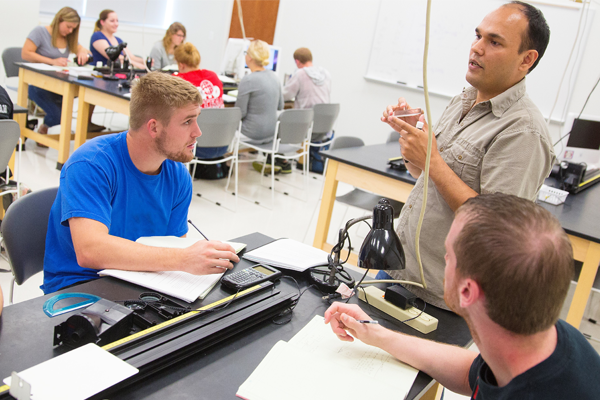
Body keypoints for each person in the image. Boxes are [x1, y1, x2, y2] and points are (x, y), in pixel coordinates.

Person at [325, 193, 600, 398]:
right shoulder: (547, 340)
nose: (444, 258)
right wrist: (377, 334)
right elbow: (473, 374)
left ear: (467, 291)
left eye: (449, 255)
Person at [378, 1, 555, 309]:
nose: (477, 48)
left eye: (494, 41)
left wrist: (432, 161)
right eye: (478, 36)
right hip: (399, 267)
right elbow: (430, 179)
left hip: (440, 298)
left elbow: (495, 230)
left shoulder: (523, 132)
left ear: (526, 59)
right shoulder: (464, 99)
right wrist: (414, 147)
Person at [42, 72, 239, 294]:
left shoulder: (178, 176)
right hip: (80, 286)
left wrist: (191, 260)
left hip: (140, 279)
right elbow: (90, 251)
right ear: (153, 127)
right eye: (187, 122)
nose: (197, 132)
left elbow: (169, 248)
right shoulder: (91, 164)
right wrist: (184, 258)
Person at [21, 7, 102, 138]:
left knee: (66, 114)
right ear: (59, 20)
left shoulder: (68, 38)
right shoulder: (40, 32)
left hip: (58, 85)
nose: (70, 31)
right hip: (38, 84)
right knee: (59, 116)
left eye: (73, 29)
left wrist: (82, 52)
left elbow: (84, 50)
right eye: (68, 27)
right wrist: (51, 61)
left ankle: (44, 128)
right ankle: (43, 129)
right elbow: (25, 53)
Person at [235, 40, 284, 172]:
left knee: (225, 129)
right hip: (270, 133)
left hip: (252, 134)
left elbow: (239, 113)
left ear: (249, 57)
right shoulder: (275, 78)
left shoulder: (249, 80)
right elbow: (280, 106)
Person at [174, 42, 226, 160]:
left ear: (181, 65)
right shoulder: (213, 76)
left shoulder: (179, 81)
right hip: (222, 142)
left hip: (196, 144)